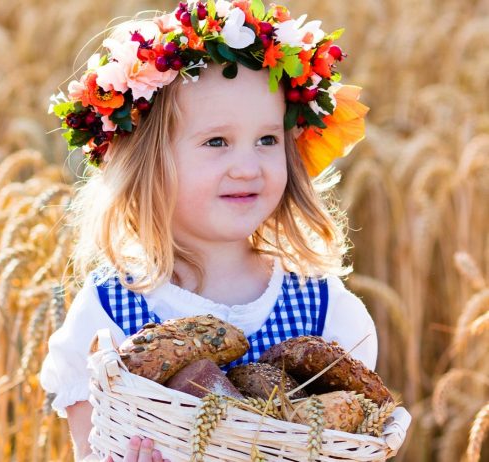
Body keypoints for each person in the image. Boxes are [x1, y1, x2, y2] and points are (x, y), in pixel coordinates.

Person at [40, 1, 379, 460]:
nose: (247, 167)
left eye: (267, 140)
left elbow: (355, 435)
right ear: (149, 163)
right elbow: (91, 448)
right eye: (217, 141)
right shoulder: (107, 317)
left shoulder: (328, 312)